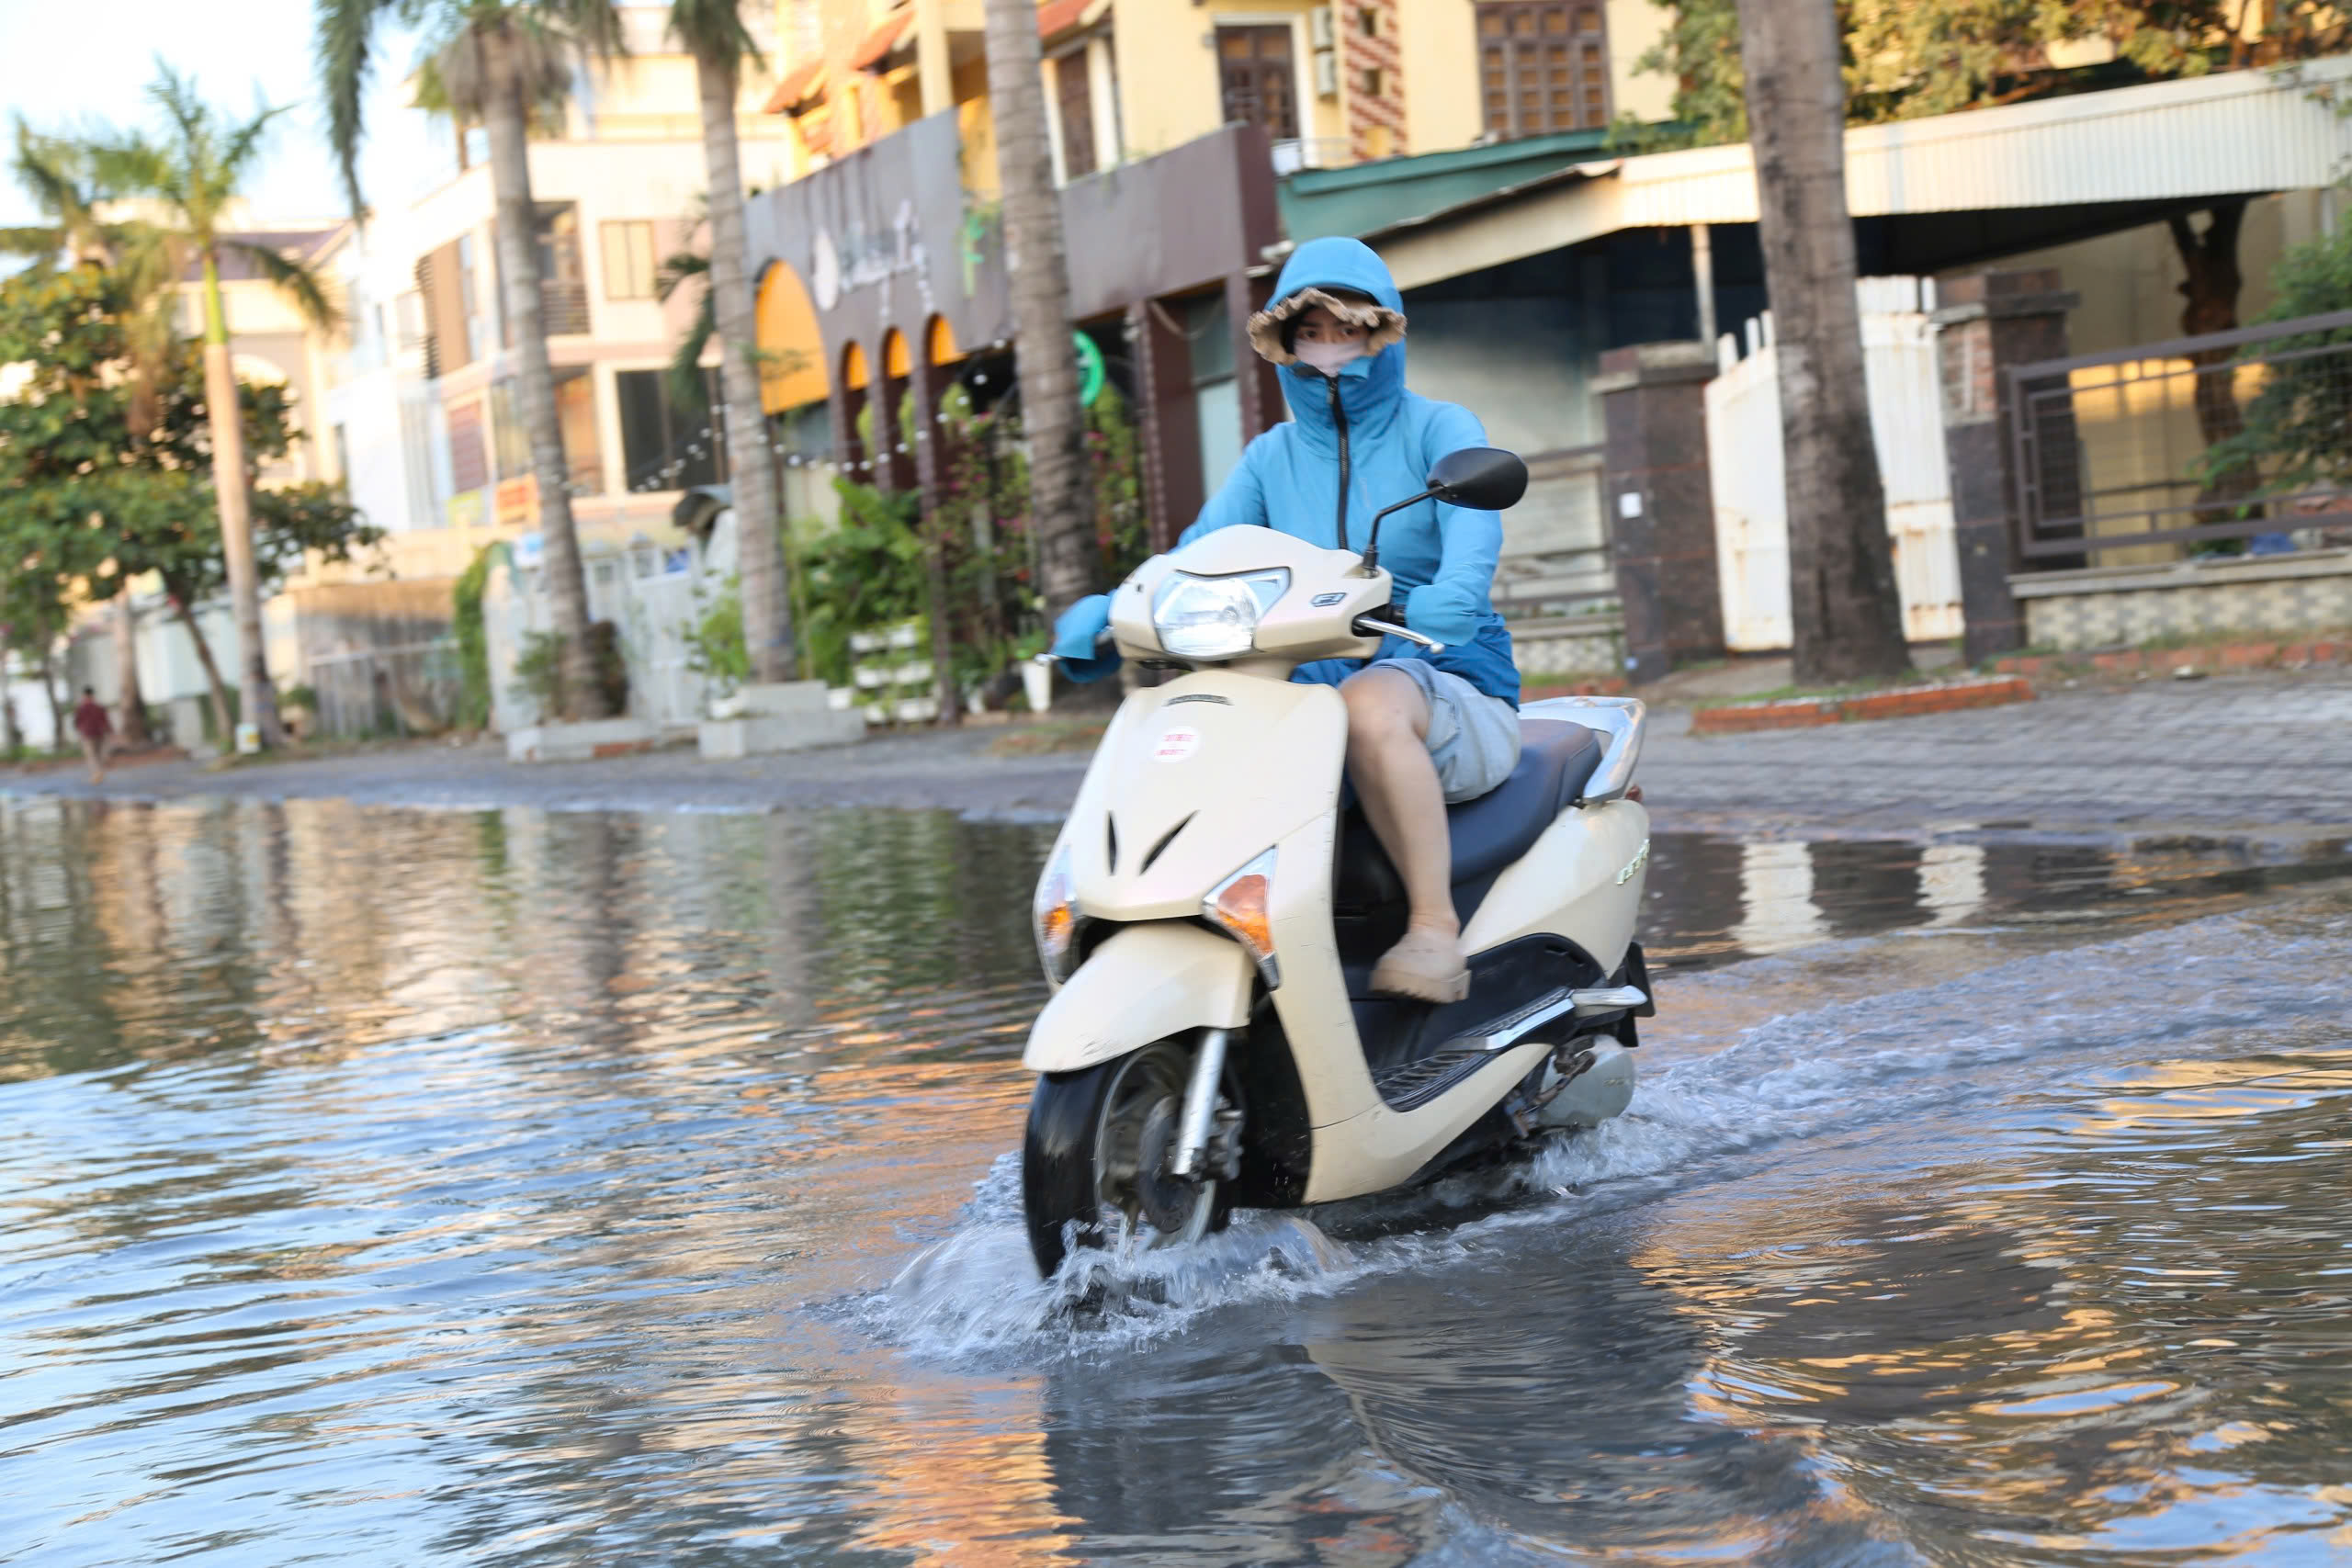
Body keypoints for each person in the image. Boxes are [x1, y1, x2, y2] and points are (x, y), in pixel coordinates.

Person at [1053, 236, 1521, 1005]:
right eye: (1311, 332)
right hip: (1311, 686)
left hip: (1444, 675)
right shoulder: (1270, 457)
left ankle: (1435, 929)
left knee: (1367, 708)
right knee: (1206, 719)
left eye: (1347, 329)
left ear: (1380, 333)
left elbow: (1475, 522)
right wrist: (1115, 609)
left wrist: (1458, 590)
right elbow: (1200, 550)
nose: (1329, 349)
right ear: (1287, 342)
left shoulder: (1435, 425)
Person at [74, 686, 113, 784]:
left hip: (87, 734)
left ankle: (97, 774)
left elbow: (77, 722)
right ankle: (99, 773)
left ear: (84, 695)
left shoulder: (81, 708)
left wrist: (80, 731)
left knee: (91, 756)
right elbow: (105, 720)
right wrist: (109, 731)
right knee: (98, 755)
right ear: (93, 694)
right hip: (99, 733)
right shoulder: (99, 707)